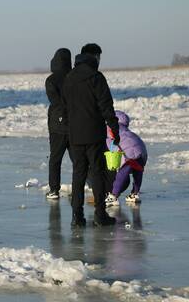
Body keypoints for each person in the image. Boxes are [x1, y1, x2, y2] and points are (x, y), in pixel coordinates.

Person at [62, 43, 119, 227]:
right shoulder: (96, 77)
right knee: (97, 173)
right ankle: (100, 215)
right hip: (94, 134)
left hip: (75, 136)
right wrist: (114, 129)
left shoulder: (69, 78)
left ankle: (77, 217)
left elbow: (65, 107)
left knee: (78, 175)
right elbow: (106, 106)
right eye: (99, 57)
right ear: (94, 56)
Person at [45, 48, 73, 199]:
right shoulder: (74, 77)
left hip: (57, 126)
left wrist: (62, 116)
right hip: (75, 124)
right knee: (78, 160)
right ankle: (80, 186)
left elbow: (54, 101)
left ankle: (54, 190)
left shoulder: (51, 80)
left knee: (55, 159)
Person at [105, 110, 147, 207]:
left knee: (122, 174)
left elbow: (109, 140)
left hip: (128, 154)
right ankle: (135, 194)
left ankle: (113, 196)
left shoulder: (110, 127)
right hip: (140, 149)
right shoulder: (126, 130)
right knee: (138, 172)